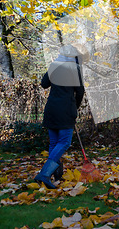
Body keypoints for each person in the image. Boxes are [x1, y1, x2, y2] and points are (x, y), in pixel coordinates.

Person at [34, 44, 86, 189]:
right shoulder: (75, 69)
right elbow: (80, 92)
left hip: (51, 109)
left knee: (54, 143)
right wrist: (74, 107)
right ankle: (44, 174)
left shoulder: (54, 66)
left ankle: (56, 174)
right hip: (65, 111)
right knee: (64, 142)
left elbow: (44, 84)